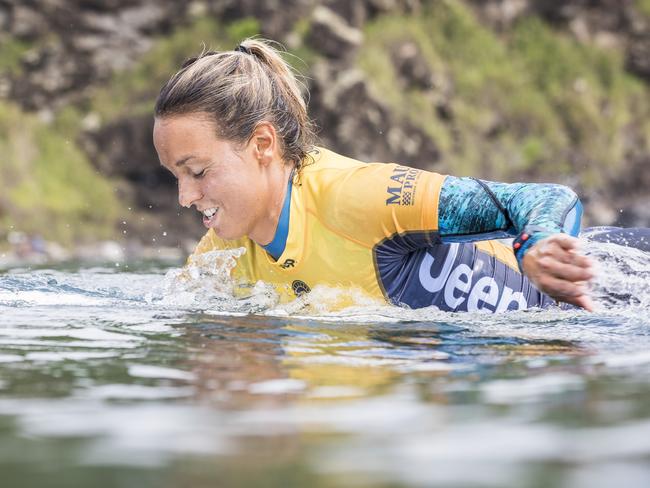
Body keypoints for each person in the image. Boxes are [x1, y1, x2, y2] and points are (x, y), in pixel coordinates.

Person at [153, 38, 623, 313]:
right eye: (176, 176)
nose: (185, 196)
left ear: (262, 145)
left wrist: (538, 244)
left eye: (197, 171)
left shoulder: (356, 197)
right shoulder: (223, 254)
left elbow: (540, 198)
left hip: (614, 288)